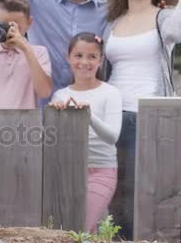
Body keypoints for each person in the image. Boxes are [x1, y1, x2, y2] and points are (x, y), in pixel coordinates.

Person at [102, 0, 181, 239]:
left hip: (147, 113)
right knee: (112, 187)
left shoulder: (165, 16)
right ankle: (118, 237)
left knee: (142, 187)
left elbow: (177, 35)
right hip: (112, 114)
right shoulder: (113, 22)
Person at [49, 32, 122, 234]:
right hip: (68, 172)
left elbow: (112, 136)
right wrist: (55, 116)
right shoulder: (61, 95)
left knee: (80, 227)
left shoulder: (110, 93)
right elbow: (53, 142)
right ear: (68, 58)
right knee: (85, 230)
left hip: (101, 170)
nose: (84, 62)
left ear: (101, 60)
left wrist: (87, 115)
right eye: (78, 56)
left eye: (92, 56)